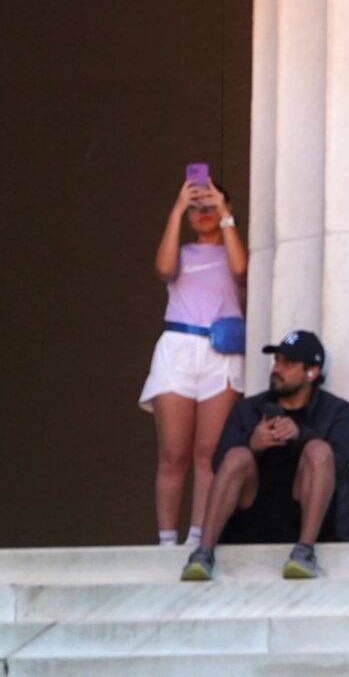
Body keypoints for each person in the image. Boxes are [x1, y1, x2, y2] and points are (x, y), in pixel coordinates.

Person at [180, 331, 349, 581]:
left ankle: (305, 552)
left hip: (307, 516)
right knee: (237, 455)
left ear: (312, 373)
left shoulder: (340, 412)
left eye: (288, 363)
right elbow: (218, 464)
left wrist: (302, 436)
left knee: (318, 451)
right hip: (252, 515)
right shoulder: (248, 409)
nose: (277, 369)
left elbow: (339, 463)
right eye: (277, 361)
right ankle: (202, 553)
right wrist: (252, 444)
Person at [140, 173, 246, 550]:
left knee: (208, 453)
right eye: (196, 208)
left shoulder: (235, 247)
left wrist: (225, 214)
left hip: (221, 351)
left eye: (209, 206)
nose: (202, 213)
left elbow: (240, 271)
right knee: (173, 453)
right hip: (179, 346)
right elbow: (164, 268)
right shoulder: (182, 252)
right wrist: (177, 208)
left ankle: (197, 538)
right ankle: (167, 541)